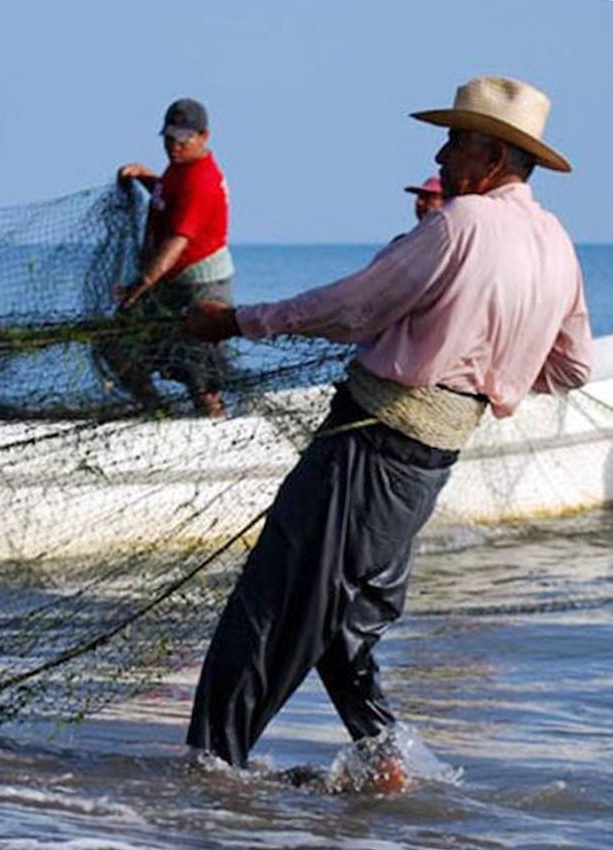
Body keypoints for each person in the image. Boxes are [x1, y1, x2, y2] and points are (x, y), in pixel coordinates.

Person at [180, 76, 593, 776]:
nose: (441, 153)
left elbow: (353, 308)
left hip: (367, 445)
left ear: (491, 157)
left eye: (456, 140)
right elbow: (573, 366)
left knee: (273, 603)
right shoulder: (555, 242)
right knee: (344, 620)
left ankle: (208, 771)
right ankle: (383, 760)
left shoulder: (459, 224)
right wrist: (490, 378)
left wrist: (234, 321)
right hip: (424, 464)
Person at [101, 97, 234, 416]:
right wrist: (147, 177)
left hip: (202, 287)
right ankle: (157, 412)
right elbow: (172, 197)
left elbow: (177, 241)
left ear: (204, 137)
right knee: (115, 343)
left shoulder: (201, 180)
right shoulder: (180, 168)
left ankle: (218, 428)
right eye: (169, 137)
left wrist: (143, 282)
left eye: (183, 138)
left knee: (199, 372)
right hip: (172, 283)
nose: (174, 145)